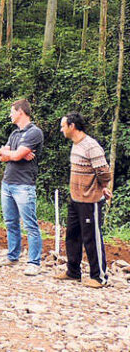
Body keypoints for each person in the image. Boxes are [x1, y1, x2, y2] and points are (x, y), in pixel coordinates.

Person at [55, 112, 113, 288]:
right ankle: (73, 271)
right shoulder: (76, 145)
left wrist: (103, 186)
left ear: (72, 126)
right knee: (72, 235)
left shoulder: (91, 146)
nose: (61, 129)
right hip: (75, 199)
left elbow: (104, 171)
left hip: (90, 200)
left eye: (63, 126)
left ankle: (99, 277)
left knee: (92, 238)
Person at [0, 99, 44, 276]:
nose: (10, 114)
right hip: (7, 183)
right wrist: (10, 154)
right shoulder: (15, 133)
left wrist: (11, 154)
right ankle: (13, 256)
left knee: (30, 225)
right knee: (10, 223)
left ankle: (34, 262)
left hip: (24, 185)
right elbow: (0, 155)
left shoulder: (34, 132)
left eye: (12, 111)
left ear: (20, 112)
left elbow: (13, 155)